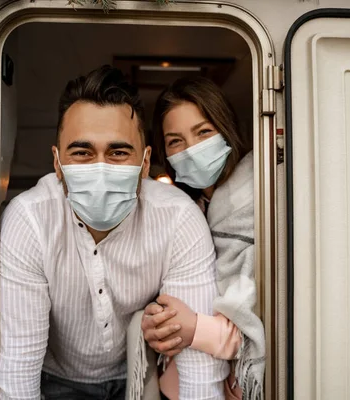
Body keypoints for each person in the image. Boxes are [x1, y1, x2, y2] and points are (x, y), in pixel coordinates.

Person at [0, 66, 229, 400]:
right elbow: (19, 366)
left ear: (146, 163)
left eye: (118, 152)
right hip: (56, 380)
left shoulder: (179, 218)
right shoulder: (29, 219)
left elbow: (199, 371)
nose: (100, 168)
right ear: (57, 163)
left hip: (141, 375)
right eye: (82, 152)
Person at [141, 76, 265, 400]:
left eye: (203, 133)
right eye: (175, 141)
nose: (191, 149)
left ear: (226, 130)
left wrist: (193, 328)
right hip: (176, 383)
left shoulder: (256, 204)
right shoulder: (187, 209)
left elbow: (260, 324)